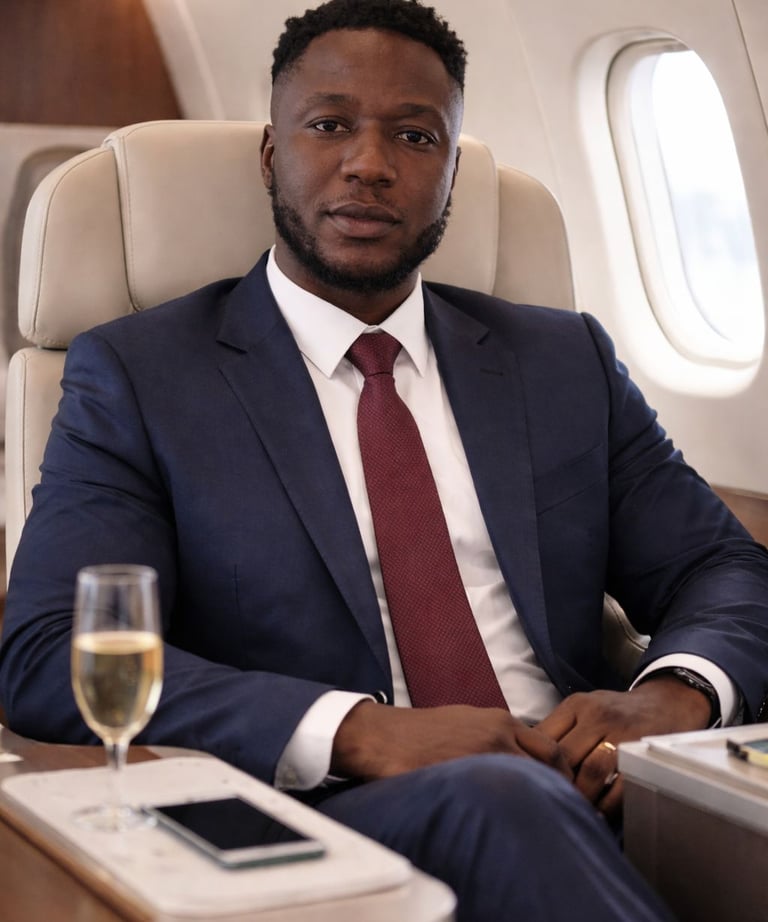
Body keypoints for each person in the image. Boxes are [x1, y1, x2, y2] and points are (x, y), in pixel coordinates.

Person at [2, 1, 768, 919]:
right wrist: (359, 731)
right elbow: (53, 654)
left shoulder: (562, 360)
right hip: (323, 809)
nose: (370, 164)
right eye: (329, 126)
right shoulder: (141, 375)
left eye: (415, 135)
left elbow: (722, 568)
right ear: (270, 154)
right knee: (503, 800)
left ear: (449, 173)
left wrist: (669, 700)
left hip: (590, 781)